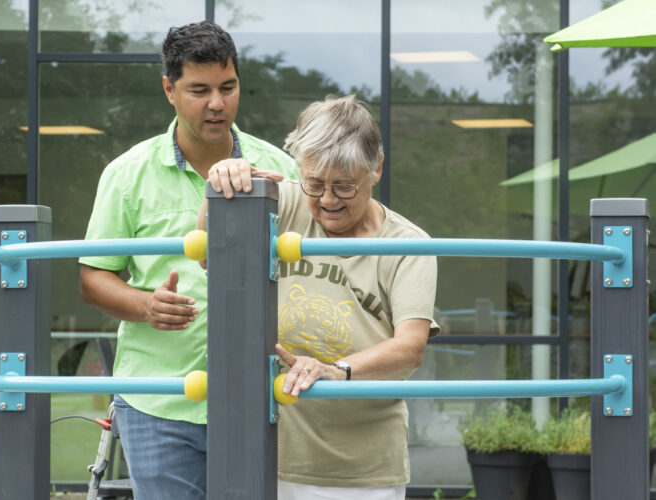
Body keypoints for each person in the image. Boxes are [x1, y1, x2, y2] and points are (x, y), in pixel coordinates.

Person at [78, 21, 298, 500]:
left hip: (259, 399)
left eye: (228, 87)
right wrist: (144, 306)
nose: (216, 103)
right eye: (199, 90)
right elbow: (93, 278)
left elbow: (314, 272)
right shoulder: (126, 174)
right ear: (169, 90)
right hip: (158, 403)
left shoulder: (281, 169)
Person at [205, 95, 439, 500]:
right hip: (270, 453)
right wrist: (223, 187)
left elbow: (410, 347)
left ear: (376, 169)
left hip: (363, 470)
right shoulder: (283, 203)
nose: (328, 200)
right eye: (315, 183)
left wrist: (335, 370)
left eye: (344, 186)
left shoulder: (409, 244)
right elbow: (215, 257)